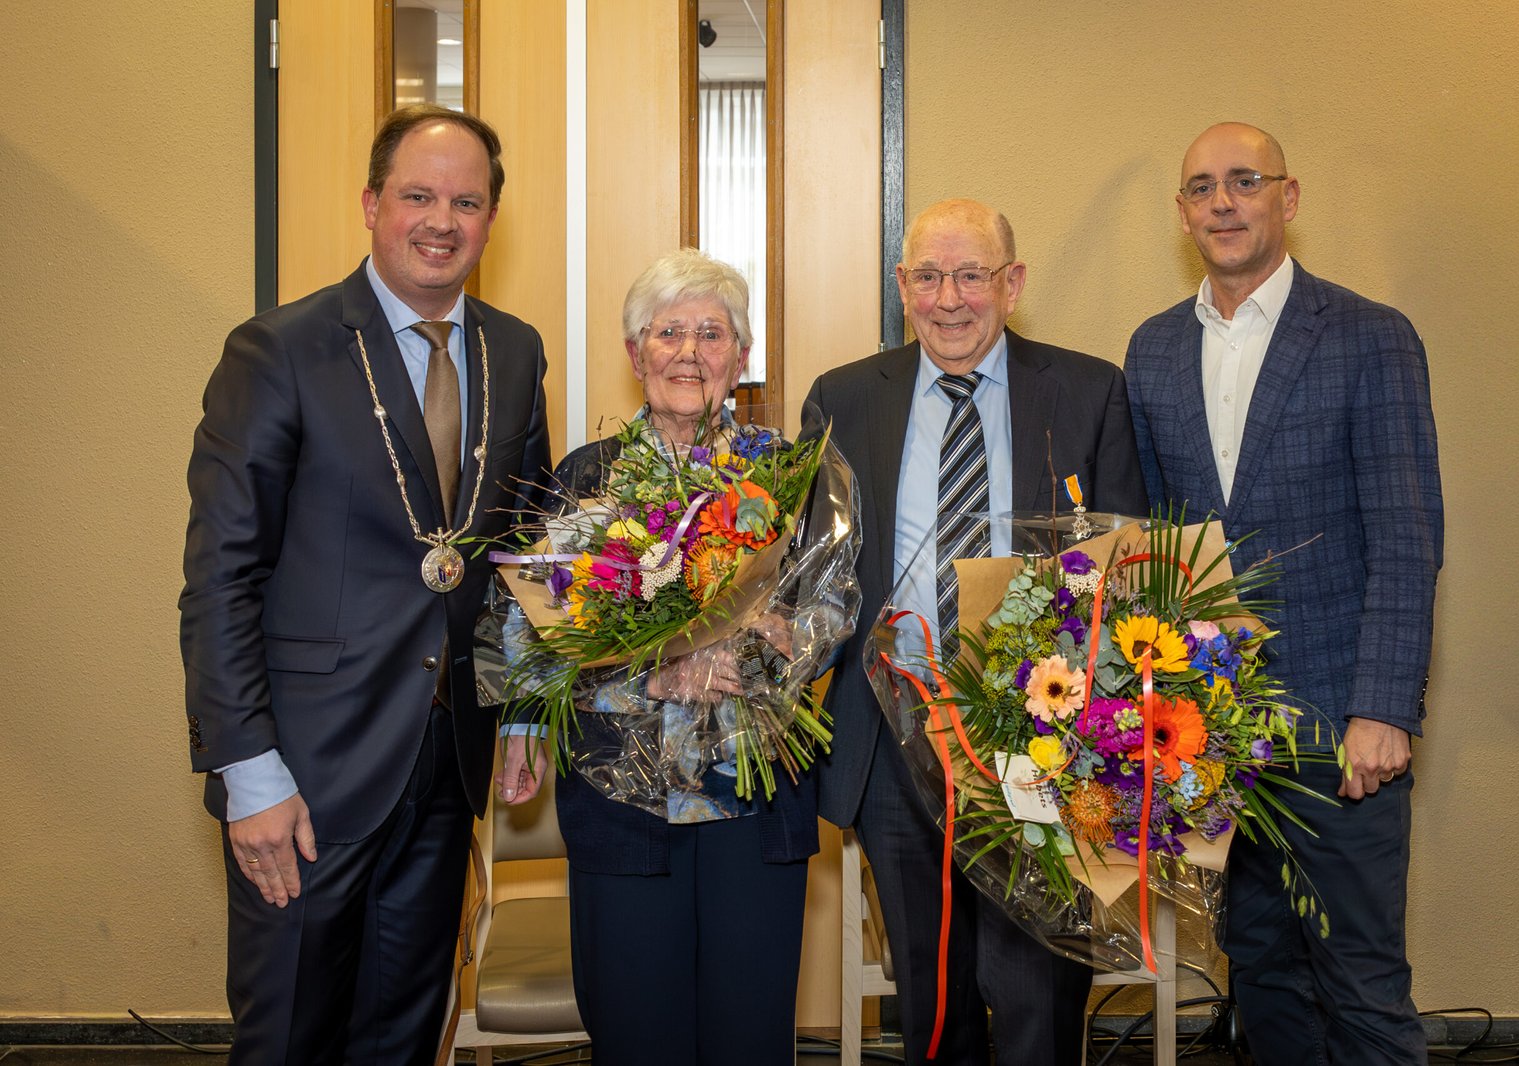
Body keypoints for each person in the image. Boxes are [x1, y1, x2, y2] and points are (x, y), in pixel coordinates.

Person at [179, 104, 552, 1065]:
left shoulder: (513, 351)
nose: (442, 220)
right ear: (371, 204)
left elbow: (522, 550)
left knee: (401, 1034)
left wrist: (519, 711)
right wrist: (249, 774)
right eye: (418, 195)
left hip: (444, 763)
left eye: (466, 201)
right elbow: (221, 576)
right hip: (306, 776)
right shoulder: (278, 350)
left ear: (491, 219)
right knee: (292, 1035)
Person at [1124, 122, 1444, 1064]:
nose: (1223, 201)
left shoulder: (1372, 337)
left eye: (1244, 180)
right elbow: (1153, 543)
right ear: (1183, 213)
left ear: (1288, 198)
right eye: (1201, 188)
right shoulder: (1150, 350)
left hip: (1339, 730)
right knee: (1257, 973)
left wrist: (1383, 708)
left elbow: (1407, 536)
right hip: (1215, 738)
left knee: (1362, 987)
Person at [803, 198, 1148, 1064]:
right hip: (893, 735)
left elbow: (1131, 564)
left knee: (1040, 995)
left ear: (1013, 283)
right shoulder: (842, 398)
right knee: (930, 997)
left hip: (1044, 739)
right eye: (927, 276)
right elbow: (814, 572)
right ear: (901, 286)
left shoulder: (1089, 391)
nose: (948, 298)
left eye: (970, 275)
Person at [497, 248, 841, 1066]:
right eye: (669, 332)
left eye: (712, 334)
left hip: (754, 793)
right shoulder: (585, 480)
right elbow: (530, 631)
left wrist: (766, 649)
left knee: (749, 1037)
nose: (690, 352)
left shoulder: (788, 476)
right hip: (624, 805)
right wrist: (646, 674)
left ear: (742, 356)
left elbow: (833, 604)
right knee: (636, 1034)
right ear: (634, 353)